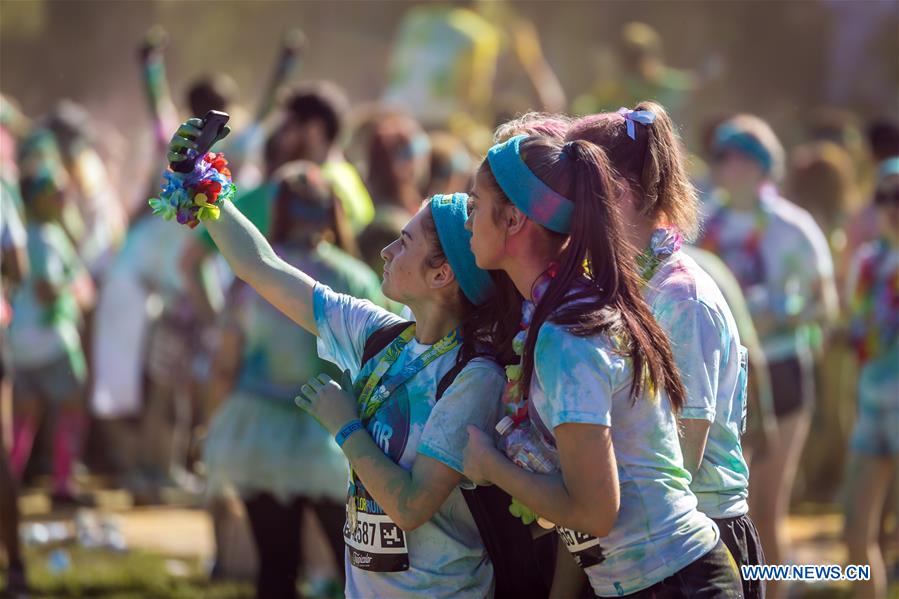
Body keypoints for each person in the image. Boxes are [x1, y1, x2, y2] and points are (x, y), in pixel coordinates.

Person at [166, 121, 518, 597]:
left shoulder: (473, 377)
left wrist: (345, 427)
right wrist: (201, 180)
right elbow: (260, 268)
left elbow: (412, 507)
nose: (388, 251)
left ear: (442, 275)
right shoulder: (377, 335)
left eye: (406, 242)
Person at [462, 134, 741, 597]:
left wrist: (490, 465)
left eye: (475, 204)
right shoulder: (566, 310)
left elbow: (594, 512)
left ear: (513, 219)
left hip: (674, 582)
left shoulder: (568, 334)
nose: (467, 220)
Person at [567, 102, 764, 597]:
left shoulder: (681, 297)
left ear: (617, 193)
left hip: (700, 543)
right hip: (648, 543)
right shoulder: (630, 279)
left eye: (576, 192)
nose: (565, 210)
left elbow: (684, 454)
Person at [202, 162, 385, 598]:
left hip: (257, 434)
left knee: (275, 566)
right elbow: (376, 365)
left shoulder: (254, 279)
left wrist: (210, 424)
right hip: (331, 435)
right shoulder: (354, 277)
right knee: (356, 565)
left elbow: (226, 363)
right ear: (330, 213)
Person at [699, 114, 838, 599]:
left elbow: (828, 305)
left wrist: (778, 310)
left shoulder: (792, 226)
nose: (722, 165)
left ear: (760, 165)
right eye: (719, 154)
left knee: (767, 506)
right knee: (726, 507)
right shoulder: (705, 223)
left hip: (781, 368)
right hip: (723, 374)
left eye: (732, 154)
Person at [178, 82, 374, 324]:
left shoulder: (287, 190)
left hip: (270, 341)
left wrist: (219, 328)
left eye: (288, 126)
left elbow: (190, 261)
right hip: (341, 339)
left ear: (314, 130)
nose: (279, 137)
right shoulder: (354, 185)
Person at [8, 164, 95, 504]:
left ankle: (9, 485)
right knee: (71, 409)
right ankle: (63, 485)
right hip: (54, 341)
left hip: (21, 342)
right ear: (37, 199)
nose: (63, 197)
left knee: (23, 419)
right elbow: (45, 289)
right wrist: (76, 285)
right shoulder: (45, 237)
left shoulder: (24, 233)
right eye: (55, 191)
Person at [842, 162, 899, 599]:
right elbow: (858, 329)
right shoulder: (868, 261)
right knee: (856, 533)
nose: (893, 207)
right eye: (885, 197)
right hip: (871, 404)